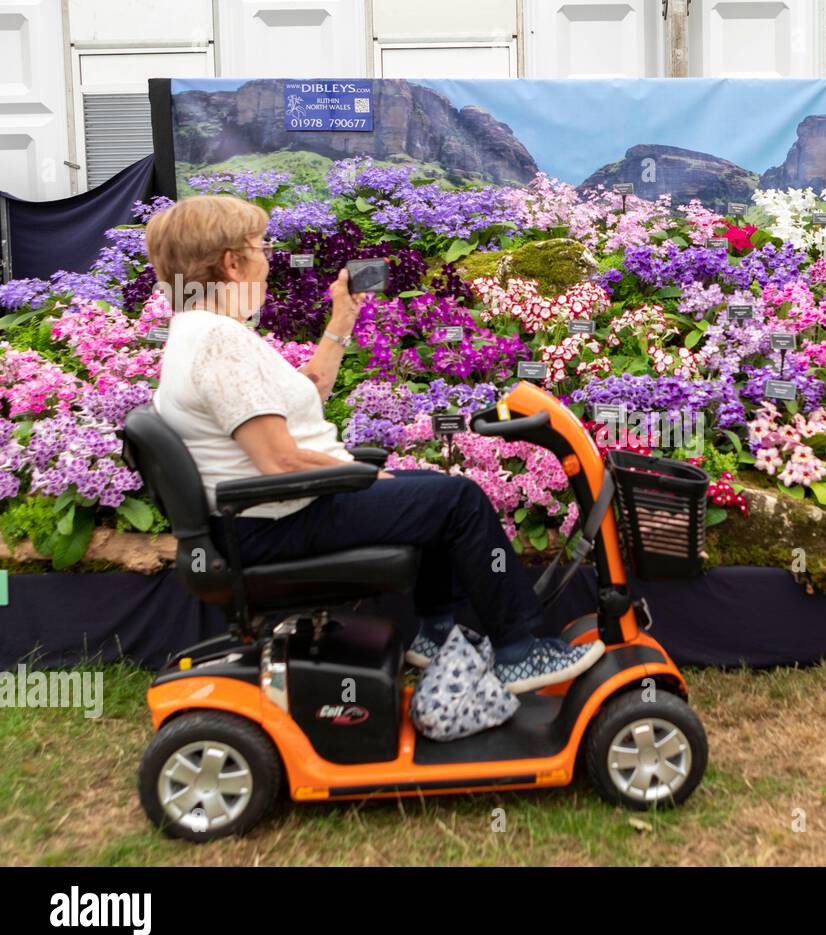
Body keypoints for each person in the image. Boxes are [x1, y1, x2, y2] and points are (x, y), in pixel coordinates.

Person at [144, 194, 603, 693]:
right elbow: (277, 459)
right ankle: (520, 649)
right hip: (270, 521)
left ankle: (437, 636)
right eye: (262, 247)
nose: (269, 260)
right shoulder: (219, 341)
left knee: (430, 494)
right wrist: (360, 479)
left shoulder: (202, 331)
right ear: (232, 264)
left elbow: (308, 391)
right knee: (459, 500)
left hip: (262, 514)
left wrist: (342, 317)